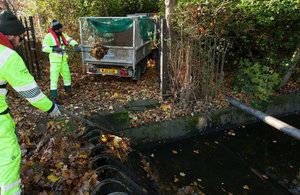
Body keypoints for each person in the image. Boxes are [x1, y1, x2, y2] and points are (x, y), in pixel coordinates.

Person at [0, 11, 61, 195]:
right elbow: (32, 93)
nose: (21, 41)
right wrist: (50, 107)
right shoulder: (7, 56)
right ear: (10, 34)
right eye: (21, 37)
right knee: (8, 159)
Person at [42, 20, 81, 103]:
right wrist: (53, 49)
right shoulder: (49, 36)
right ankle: (53, 97)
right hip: (55, 62)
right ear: (56, 29)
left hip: (63, 61)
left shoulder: (61, 35)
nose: (62, 30)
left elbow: (70, 40)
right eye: (60, 29)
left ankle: (68, 92)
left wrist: (76, 45)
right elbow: (44, 48)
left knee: (67, 77)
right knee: (54, 79)